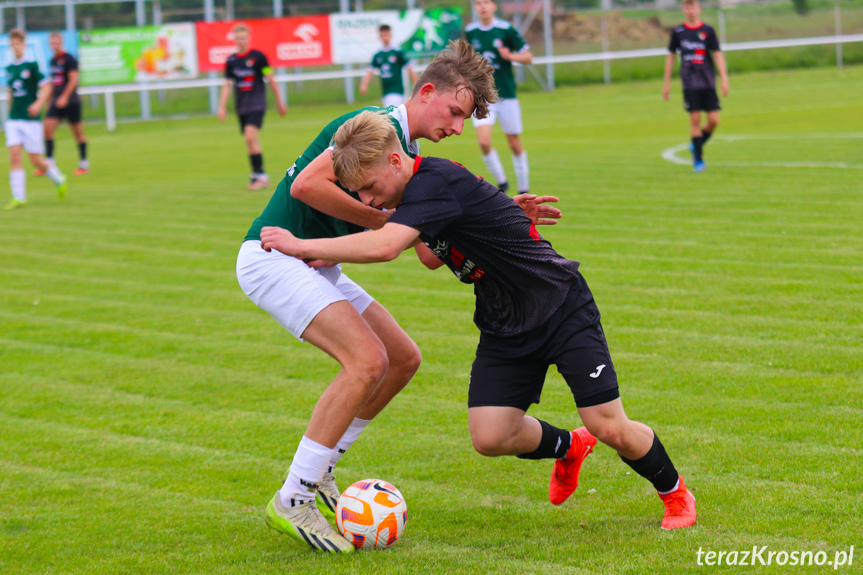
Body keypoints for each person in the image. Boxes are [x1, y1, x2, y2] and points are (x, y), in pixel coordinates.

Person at [259, 110, 698, 532]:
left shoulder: (433, 180)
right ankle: (570, 446)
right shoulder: (419, 194)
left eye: (370, 188)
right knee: (490, 435)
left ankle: (674, 492)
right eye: (359, 195)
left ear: (396, 160)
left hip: (559, 304)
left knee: (609, 424)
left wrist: (301, 244)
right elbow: (430, 255)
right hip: (504, 319)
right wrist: (497, 216)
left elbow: (387, 246)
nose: (368, 201)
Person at [237, 40, 508, 553]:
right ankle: (292, 497)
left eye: (464, 119)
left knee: (403, 358)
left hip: (315, 262)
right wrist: (386, 222)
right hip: (272, 256)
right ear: (427, 91)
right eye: (454, 110)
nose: (456, 126)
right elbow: (306, 188)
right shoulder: (375, 126)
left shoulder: (409, 157)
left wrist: (502, 218)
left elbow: (426, 248)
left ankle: (322, 469)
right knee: (366, 360)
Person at [465, 0, 532, 194]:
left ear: (494, 6)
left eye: (486, 2)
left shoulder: (506, 29)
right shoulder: (471, 31)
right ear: (475, 8)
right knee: (484, 142)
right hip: (484, 96)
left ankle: (523, 187)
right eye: (478, 3)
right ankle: (502, 182)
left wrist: (511, 56)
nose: (482, 6)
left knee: (514, 143)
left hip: (507, 96)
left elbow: (528, 57)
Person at [218, 23, 287, 191]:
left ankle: (260, 175)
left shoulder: (259, 57)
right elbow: (227, 84)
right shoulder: (231, 61)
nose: (241, 41)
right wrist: (222, 106)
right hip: (241, 106)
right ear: (234, 40)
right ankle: (258, 175)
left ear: (248, 39)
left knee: (250, 137)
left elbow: (270, 78)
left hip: (257, 104)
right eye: (238, 38)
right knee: (250, 142)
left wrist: (280, 102)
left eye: (244, 38)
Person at [662, 0, 729, 173]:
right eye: (688, 8)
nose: (691, 11)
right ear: (684, 10)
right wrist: (666, 83)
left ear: (699, 9)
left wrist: (724, 78)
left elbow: (717, 54)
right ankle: (698, 160)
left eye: (694, 7)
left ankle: (695, 145)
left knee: (714, 120)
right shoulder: (678, 32)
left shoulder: (708, 31)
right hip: (690, 83)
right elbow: (670, 56)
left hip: (707, 82)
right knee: (695, 120)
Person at [4, 29, 67, 211]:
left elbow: (47, 87)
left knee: (36, 161)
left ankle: (58, 178)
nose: (16, 47)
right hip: (14, 119)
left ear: (23, 45)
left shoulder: (31, 65)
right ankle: (18, 197)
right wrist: (9, 114)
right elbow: (11, 93)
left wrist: (38, 104)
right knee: (14, 155)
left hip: (31, 120)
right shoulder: (9, 68)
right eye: (13, 44)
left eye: (18, 44)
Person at [35, 32, 88, 177]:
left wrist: (64, 97)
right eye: (52, 43)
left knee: (78, 133)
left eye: (56, 43)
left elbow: (73, 80)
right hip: (56, 102)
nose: (54, 46)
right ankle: (49, 164)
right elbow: (52, 83)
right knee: (47, 129)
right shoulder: (52, 61)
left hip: (71, 101)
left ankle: (84, 164)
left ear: (61, 43)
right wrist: (49, 101)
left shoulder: (69, 58)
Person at [359, 24, 418, 107]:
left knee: (391, 115)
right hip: (385, 91)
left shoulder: (397, 52)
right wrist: (364, 85)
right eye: (382, 35)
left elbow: (410, 67)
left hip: (397, 90)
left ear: (390, 35)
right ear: (379, 36)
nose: (385, 37)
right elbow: (370, 70)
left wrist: (416, 84)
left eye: (386, 34)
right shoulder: (378, 55)